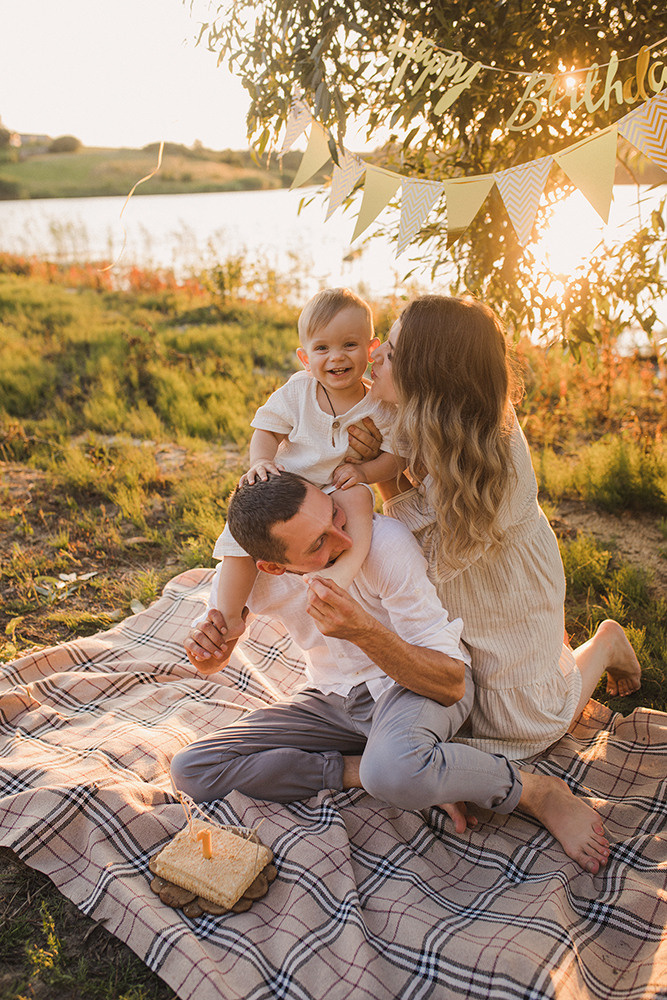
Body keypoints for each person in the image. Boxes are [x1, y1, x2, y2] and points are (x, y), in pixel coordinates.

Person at [174, 472, 611, 875]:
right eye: (317, 546)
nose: (344, 539)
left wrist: (364, 631)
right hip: (332, 700)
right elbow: (215, 654)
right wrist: (210, 653)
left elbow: (451, 681)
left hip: (413, 687)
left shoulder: (385, 544)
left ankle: (536, 792)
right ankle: (397, 770)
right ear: (272, 565)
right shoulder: (250, 576)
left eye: (333, 514)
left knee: (392, 773)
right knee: (193, 768)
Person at [351, 294, 641, 767]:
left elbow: (417, 546)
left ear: (431, 378)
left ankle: (603, 644)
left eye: (394, 352)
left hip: (505, 586)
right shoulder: (419, 409)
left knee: (527, 724)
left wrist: (375, 470)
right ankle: (553, 653)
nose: (374, 352)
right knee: (451, 704)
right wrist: (375, 453)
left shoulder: (493, 459)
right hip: (457, 583)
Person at [203, 287, 401, 657]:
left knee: (359, 499)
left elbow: (394, 457)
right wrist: (262, 462)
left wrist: (364, 470)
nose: (336, 357)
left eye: (349, 345)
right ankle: (229, 616)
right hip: (289, 488)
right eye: (322, 348)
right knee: (240, 533)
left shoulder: (380, 403)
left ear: (372, 349)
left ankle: (340, 574)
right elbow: (267, 430)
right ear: (305, 357)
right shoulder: (299, 392)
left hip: (337, 485)